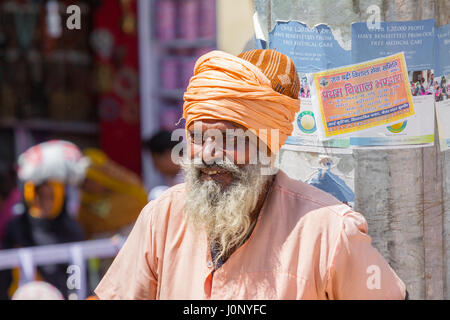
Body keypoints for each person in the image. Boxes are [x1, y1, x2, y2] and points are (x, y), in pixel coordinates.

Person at [95, 49, 406, 299]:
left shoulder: (329, 231)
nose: (209, 154)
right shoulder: (162, 218)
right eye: (198, 138)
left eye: (231, 139)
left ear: (266, 147)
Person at [0, 140, 90, 299]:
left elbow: (77, 277)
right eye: (41, 196)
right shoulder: (17, 228)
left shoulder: (71, 230)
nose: (45, 203)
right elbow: (5, 278)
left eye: (51, 197)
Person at [143, 130, 184, 200]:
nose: (155, 166)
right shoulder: (171, 179)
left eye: (156, 161)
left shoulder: (193, 177)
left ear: (169, 155)